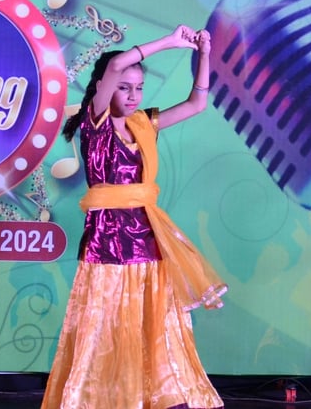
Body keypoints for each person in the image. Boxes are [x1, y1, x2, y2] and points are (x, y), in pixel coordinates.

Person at [42, 25, 227, 409]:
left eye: (139, 88)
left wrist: (203, 53)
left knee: (153, 326)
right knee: (105, 329)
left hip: (148, 239)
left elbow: (197, 104)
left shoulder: (143, 124)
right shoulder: (95, 125)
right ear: (105, 88)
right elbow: (115, 66)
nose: (132, 96)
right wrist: (170, 42)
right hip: (106, 244)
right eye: (124, 88)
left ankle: (157, 397)